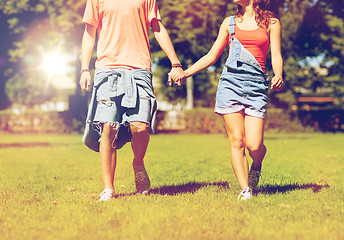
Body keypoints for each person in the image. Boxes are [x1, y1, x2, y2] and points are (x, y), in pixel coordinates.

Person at [170, 0, 283, 200]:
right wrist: (185, 73)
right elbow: (212, 56)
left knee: (254, 145)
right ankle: (246, 189)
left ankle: (257, 164)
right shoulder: (229, 23)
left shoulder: (271, 23)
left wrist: (278, 74)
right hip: (230, 85)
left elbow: (276, 54)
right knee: (237, 140)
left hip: (257, 86)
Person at [79, 0, 185, 201]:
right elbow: (89, 32)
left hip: (139, 70)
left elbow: (158, 28)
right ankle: (108, 188)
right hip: (107, 69)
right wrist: (85, 68)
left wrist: (176, 63)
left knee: (140, 128)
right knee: (108, 127)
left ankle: (138, 162)